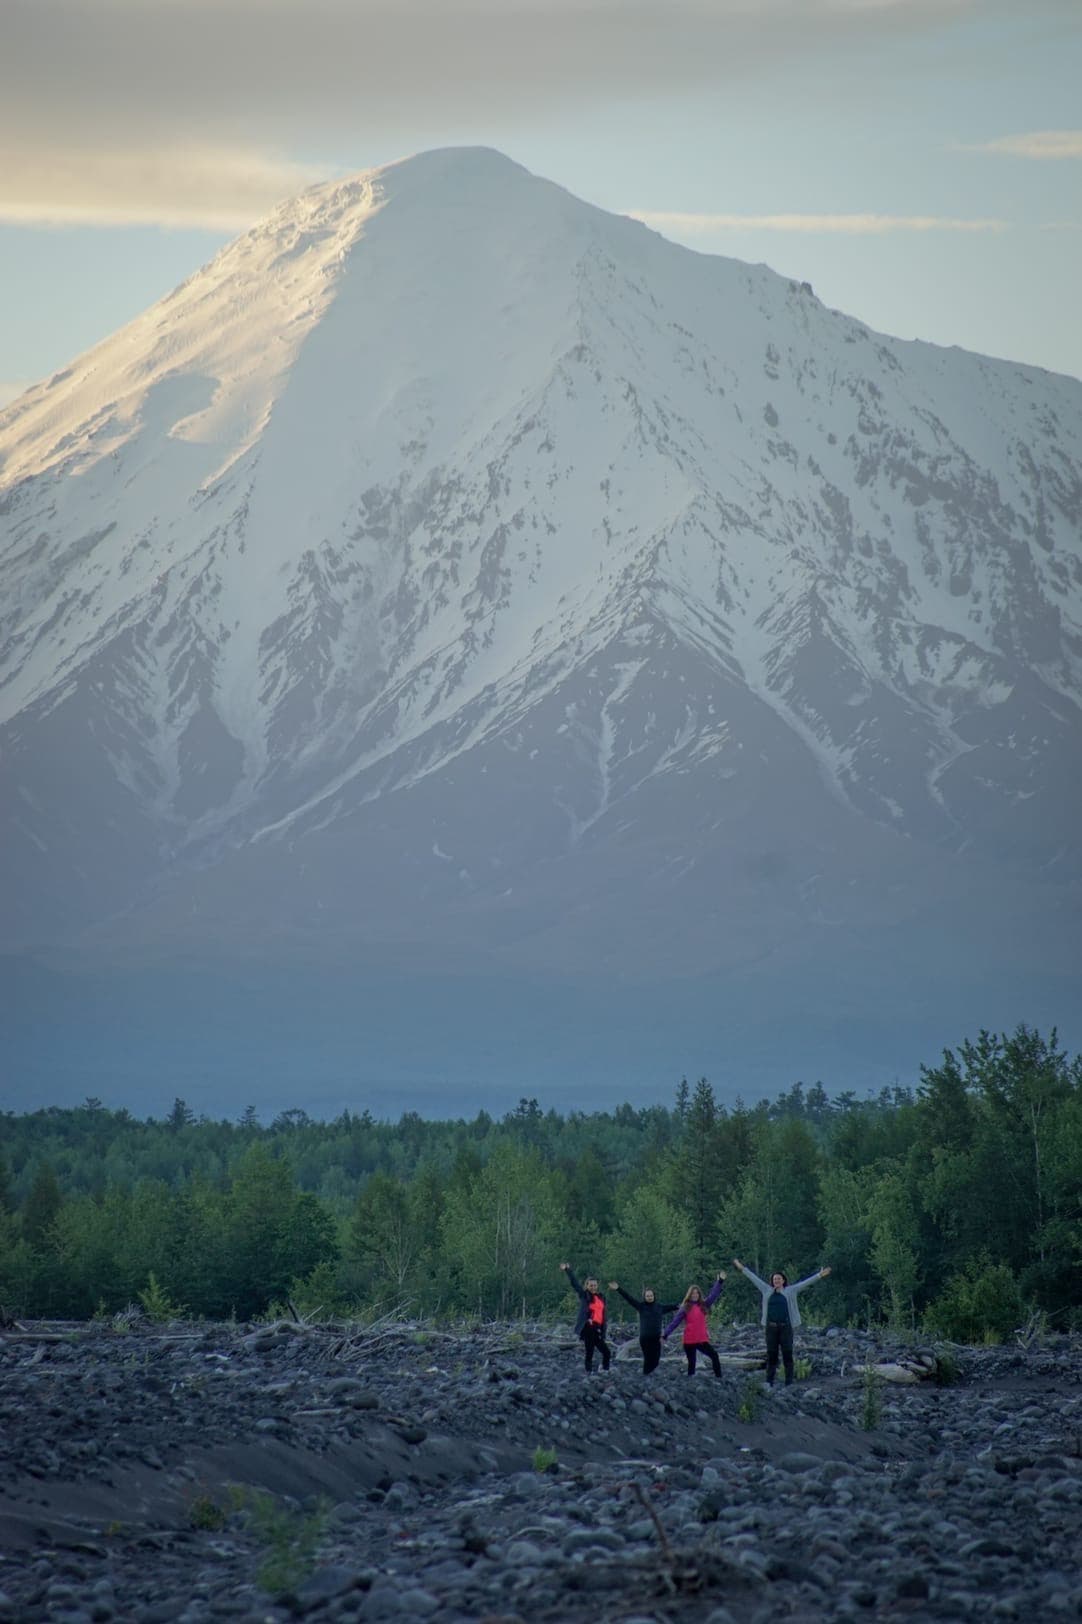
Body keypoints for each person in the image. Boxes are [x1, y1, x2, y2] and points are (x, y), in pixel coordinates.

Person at [732, 1258, 832, 1386]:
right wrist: (741, 1267)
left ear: (783, 1281)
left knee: (787, 1354)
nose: (776, 1281)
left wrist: (819, 1275)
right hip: (771, 1328)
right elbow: (753, 1277)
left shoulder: (790, 1291)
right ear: (772, 1282)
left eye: (779, 1279)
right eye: (774, 1279)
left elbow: (805, 1283)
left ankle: (789, 1382)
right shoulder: (766, 1290)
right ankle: (769, 1382)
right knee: (771, 1355)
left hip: (786, 1328)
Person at [608, 1281, 680, 1374]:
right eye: (647, 1296)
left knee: (656, 1361)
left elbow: (675, 1306)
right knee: (648, 1360)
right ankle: (646, 1377)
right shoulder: (641, 1306)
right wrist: (618, 1289)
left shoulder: (660, 1307)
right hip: (645, 1339)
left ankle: (651, 1378)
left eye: (651, 1296)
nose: (649, 1297)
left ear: (654, 1296)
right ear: (645, 1297)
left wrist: (685, 1304)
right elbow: (629, 1299)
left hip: (657, 1339)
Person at [662, 1273, 726, 1377]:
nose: (695, 1295)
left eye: (696, 1293)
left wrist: (719, 1282)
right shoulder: (685, 1307)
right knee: (692, 1364)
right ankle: (690, 1384)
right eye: (693, 1293)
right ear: (689, 1295)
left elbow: (713, 1295)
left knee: (714, 1356)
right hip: (689, 1340)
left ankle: (719, 1378)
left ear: (699, 1294)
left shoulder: (703, 1305)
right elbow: (675, 1322)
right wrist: (665, 1334)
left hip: (701, 1340)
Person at [559, 1262, 611, 1373]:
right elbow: (575, 1283)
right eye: (590, 1285)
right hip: (588, 1327)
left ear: (597, 1286)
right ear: (587, 1286)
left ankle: (605, 1370)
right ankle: (589, 1373)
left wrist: (603, 1330)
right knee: (590, 1352)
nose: (593, 1287)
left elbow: (603, 1315)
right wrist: (568, 1270)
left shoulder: (601, 1297)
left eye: (595, 1285)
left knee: (606, 1352)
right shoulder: (584, 1295)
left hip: (598, 1328)